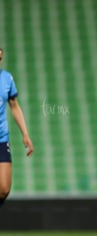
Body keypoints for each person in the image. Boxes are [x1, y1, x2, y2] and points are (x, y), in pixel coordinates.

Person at [0, 48, 34, 207]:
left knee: (4, 189)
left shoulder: (6, 78)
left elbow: (14, 106)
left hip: (1, 138)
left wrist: (25, 134)